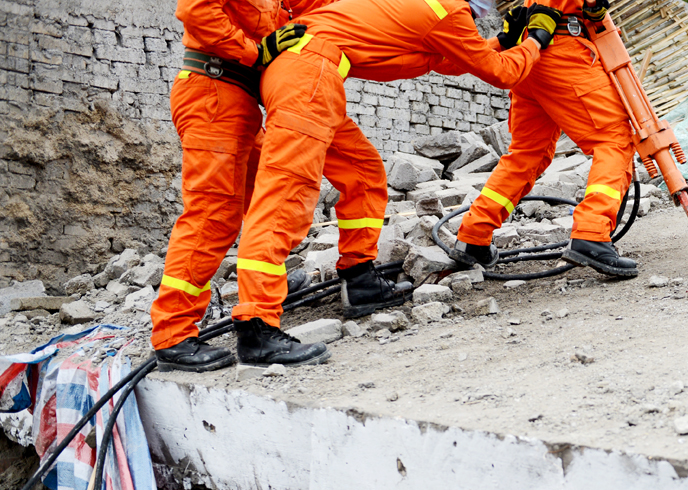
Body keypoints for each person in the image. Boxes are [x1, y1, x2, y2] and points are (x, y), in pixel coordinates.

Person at [228, 0, 562, 367]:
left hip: (302, 71)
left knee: (363, 172)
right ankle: (256, 325)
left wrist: (501, 40)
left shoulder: (424, 7)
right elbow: (501, 74)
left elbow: (447, 58)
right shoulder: (448, 11)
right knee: (286, 195)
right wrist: (538, 39)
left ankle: (360, 279)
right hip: (309, 78)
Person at [151, 0, 412, 372]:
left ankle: (358, 277)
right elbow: (196, 11)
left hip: (258, 98)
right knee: (215, 214)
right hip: (214, 92)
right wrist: (256, 52)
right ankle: (176, 335)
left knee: (359, 167)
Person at [451, 0, 638, 279]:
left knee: (526, 154)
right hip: (564, 51)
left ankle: (473, 236)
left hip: (532, 51)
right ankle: (591, 233)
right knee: (614, 138)